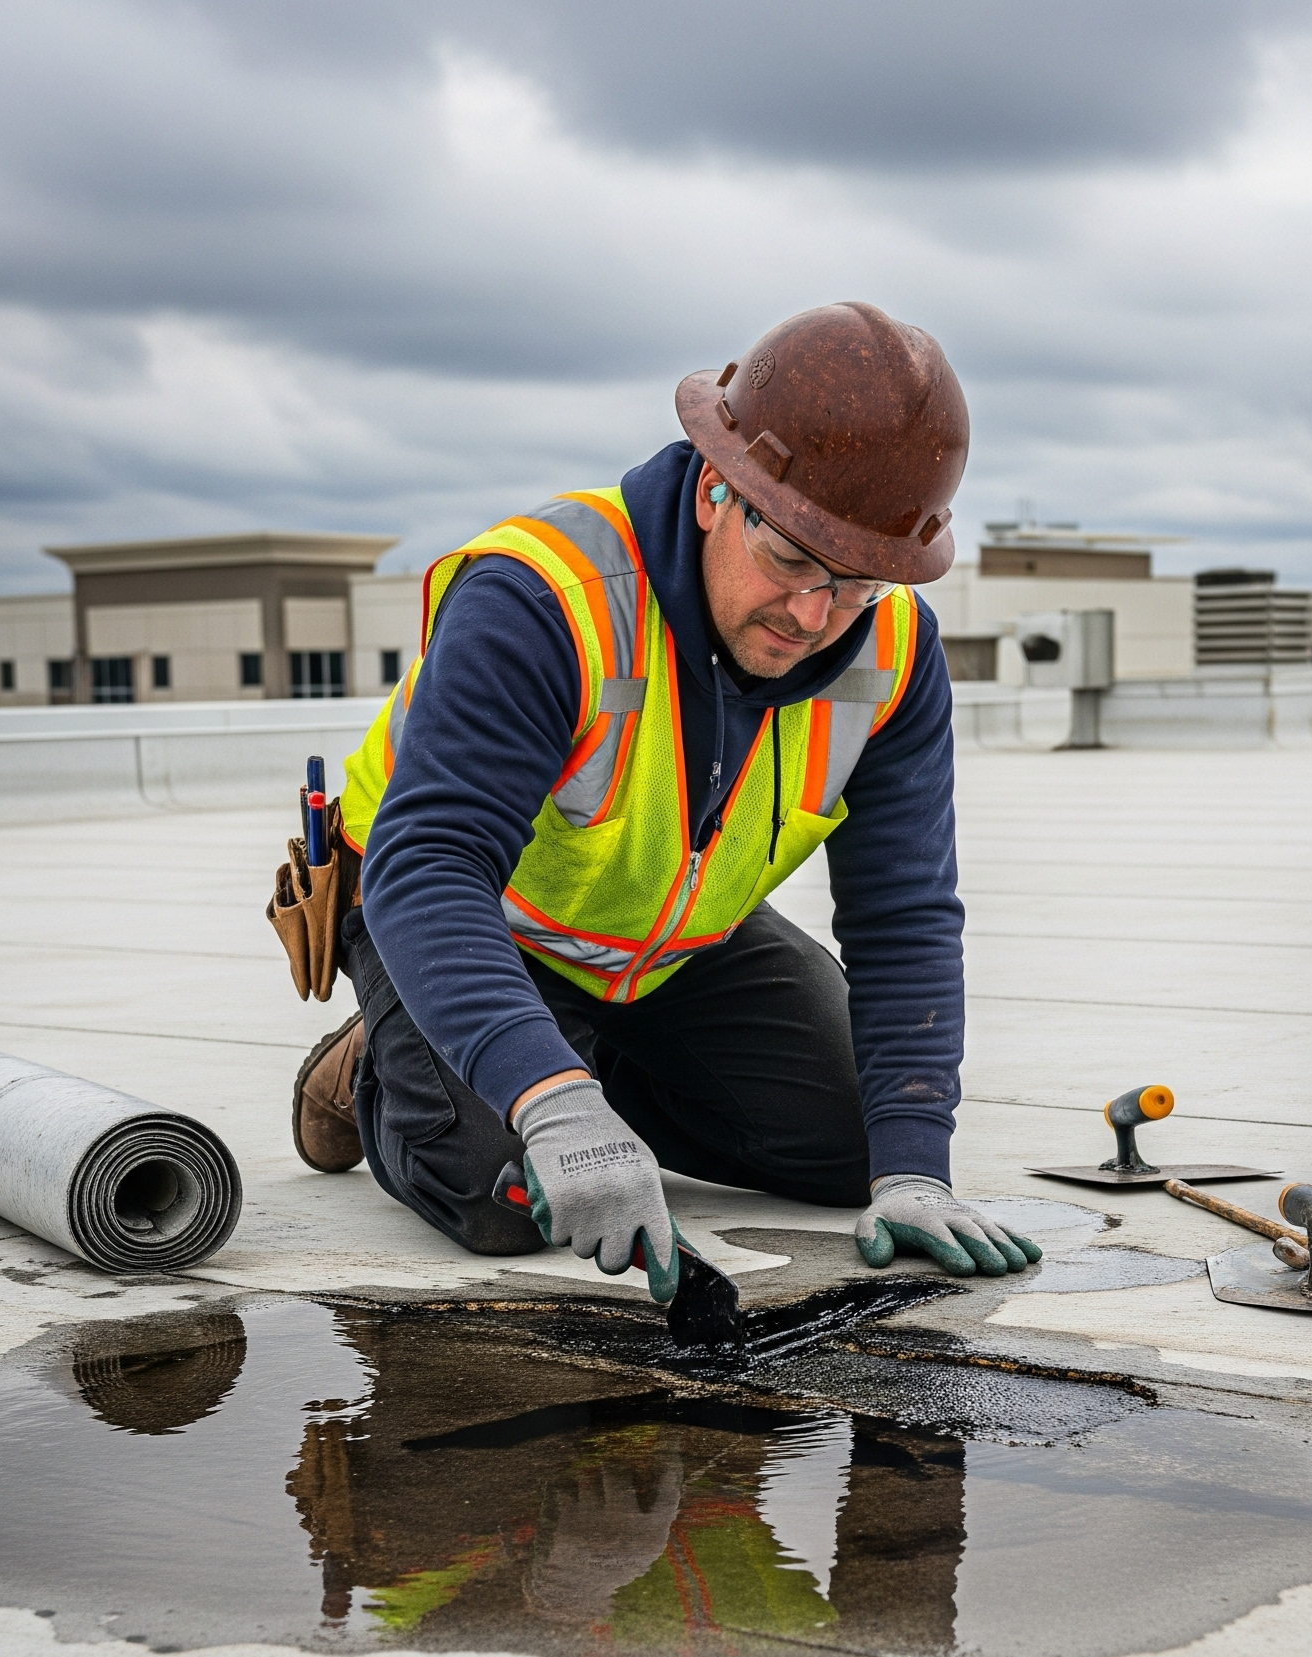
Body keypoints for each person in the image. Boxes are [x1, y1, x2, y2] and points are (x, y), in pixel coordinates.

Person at [293, 301, 1041, 1299]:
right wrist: (552, 1102)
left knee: (856, 1145)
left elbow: (903, 912)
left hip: (668, 938)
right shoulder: (545, 596)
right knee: (500, 1191)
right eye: (788, 559)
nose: (814, 616)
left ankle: (571, 1058)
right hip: (463, 921)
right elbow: (428, 866)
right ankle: (372, 1066)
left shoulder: (896, 654)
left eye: (856, 583)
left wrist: (913, 1162)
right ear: (713, 494)